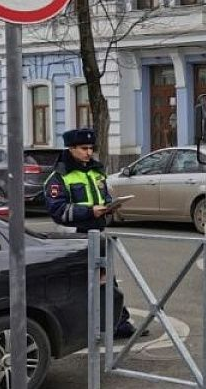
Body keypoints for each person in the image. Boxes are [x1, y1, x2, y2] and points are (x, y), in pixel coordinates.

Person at [44, 128, 143, 339]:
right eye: (84, 148)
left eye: (91, 148)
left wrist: (109, 206)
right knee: (77, 286)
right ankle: (77, 329)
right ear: (71, 149)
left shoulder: (96, 172)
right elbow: (58, 211)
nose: (89, 152)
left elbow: (104, 196)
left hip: (97, 234)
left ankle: (118, 323)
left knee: (106, 281)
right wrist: (90, 211)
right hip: (74, 238)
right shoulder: (59, 177)